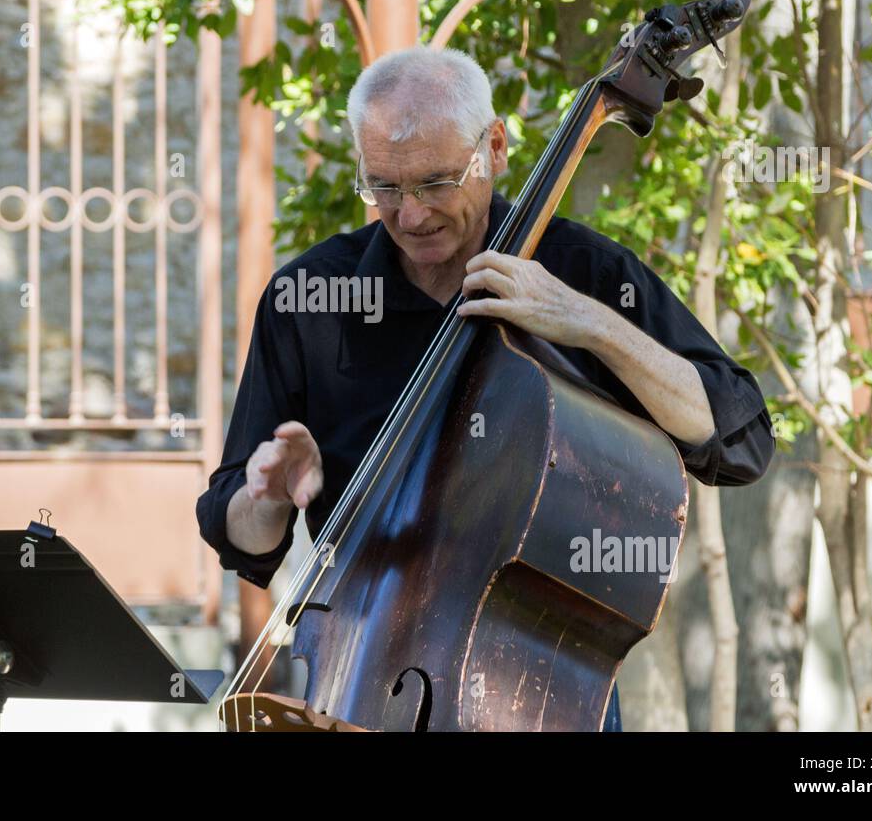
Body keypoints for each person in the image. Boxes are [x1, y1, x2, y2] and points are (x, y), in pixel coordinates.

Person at [197, 45, 775, 731]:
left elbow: (738, 441)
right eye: (384, 186)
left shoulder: (582, 271)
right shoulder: (309, 299)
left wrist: (591, 323)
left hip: (537, 692)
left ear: (494, 147)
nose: (410, 215)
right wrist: (262, 499)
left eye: (436, 183)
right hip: (355, 690)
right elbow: (244, 539)